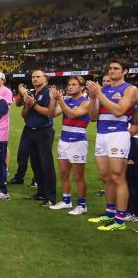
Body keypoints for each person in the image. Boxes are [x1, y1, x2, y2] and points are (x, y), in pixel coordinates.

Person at [86, 59, 137, 231]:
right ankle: (109, 213)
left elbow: (119, 111)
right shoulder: (105, 89)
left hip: (118, 134)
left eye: (116, 68)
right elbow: (93, 116)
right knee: (105, 176)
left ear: (125, 71)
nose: (112, 71)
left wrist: (98, 94)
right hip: (102, 134)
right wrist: (93, 98)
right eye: (110, 68)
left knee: (118, 177)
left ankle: (120, 220)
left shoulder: (130, 89)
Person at [47, 76, 90, 215]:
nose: (70, 87)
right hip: (64, 141)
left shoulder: (86, 102)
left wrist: (60, 100)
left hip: (78, 141)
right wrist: (53, 99)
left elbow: (72, 115)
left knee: (78, 175)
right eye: (69, 84)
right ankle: (66, 201)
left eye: (74, 84)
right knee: (64, 173)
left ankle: (82, 205)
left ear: (82, 87)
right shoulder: (66, 101)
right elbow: (51, 114)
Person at [13, 70, 56, 207]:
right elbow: (22, 110)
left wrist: (33, 105)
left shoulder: (48, 92)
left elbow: (50, 113)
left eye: (38, 76)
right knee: (35, 163)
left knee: (46, 164)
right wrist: (26, 101)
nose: (35, 79)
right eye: (33, 77)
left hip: (43, 131)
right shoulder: (31, 93)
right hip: (29, 130)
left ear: (45, 79)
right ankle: (41, 192)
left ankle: (50, 196)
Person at [0, 72, 13, 173]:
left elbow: (7, 107)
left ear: (3, 80)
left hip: (2, 122)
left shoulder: (7, 91)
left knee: (4, 145)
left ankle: (5, 168)